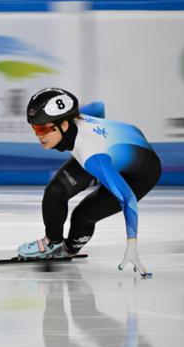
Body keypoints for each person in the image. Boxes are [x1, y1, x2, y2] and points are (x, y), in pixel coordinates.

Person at [18, 88, 161, 276]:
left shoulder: (91, 155)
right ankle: (52, 243)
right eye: (35, 129)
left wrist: (132, 245)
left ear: (65, 125)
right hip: (113, 152)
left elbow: (128, 198)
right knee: (55, 191)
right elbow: (98, 106)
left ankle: (69, 247)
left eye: (43, 128)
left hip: (141, 173)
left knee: (83, 216)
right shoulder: (76, 118)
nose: (39, 135)